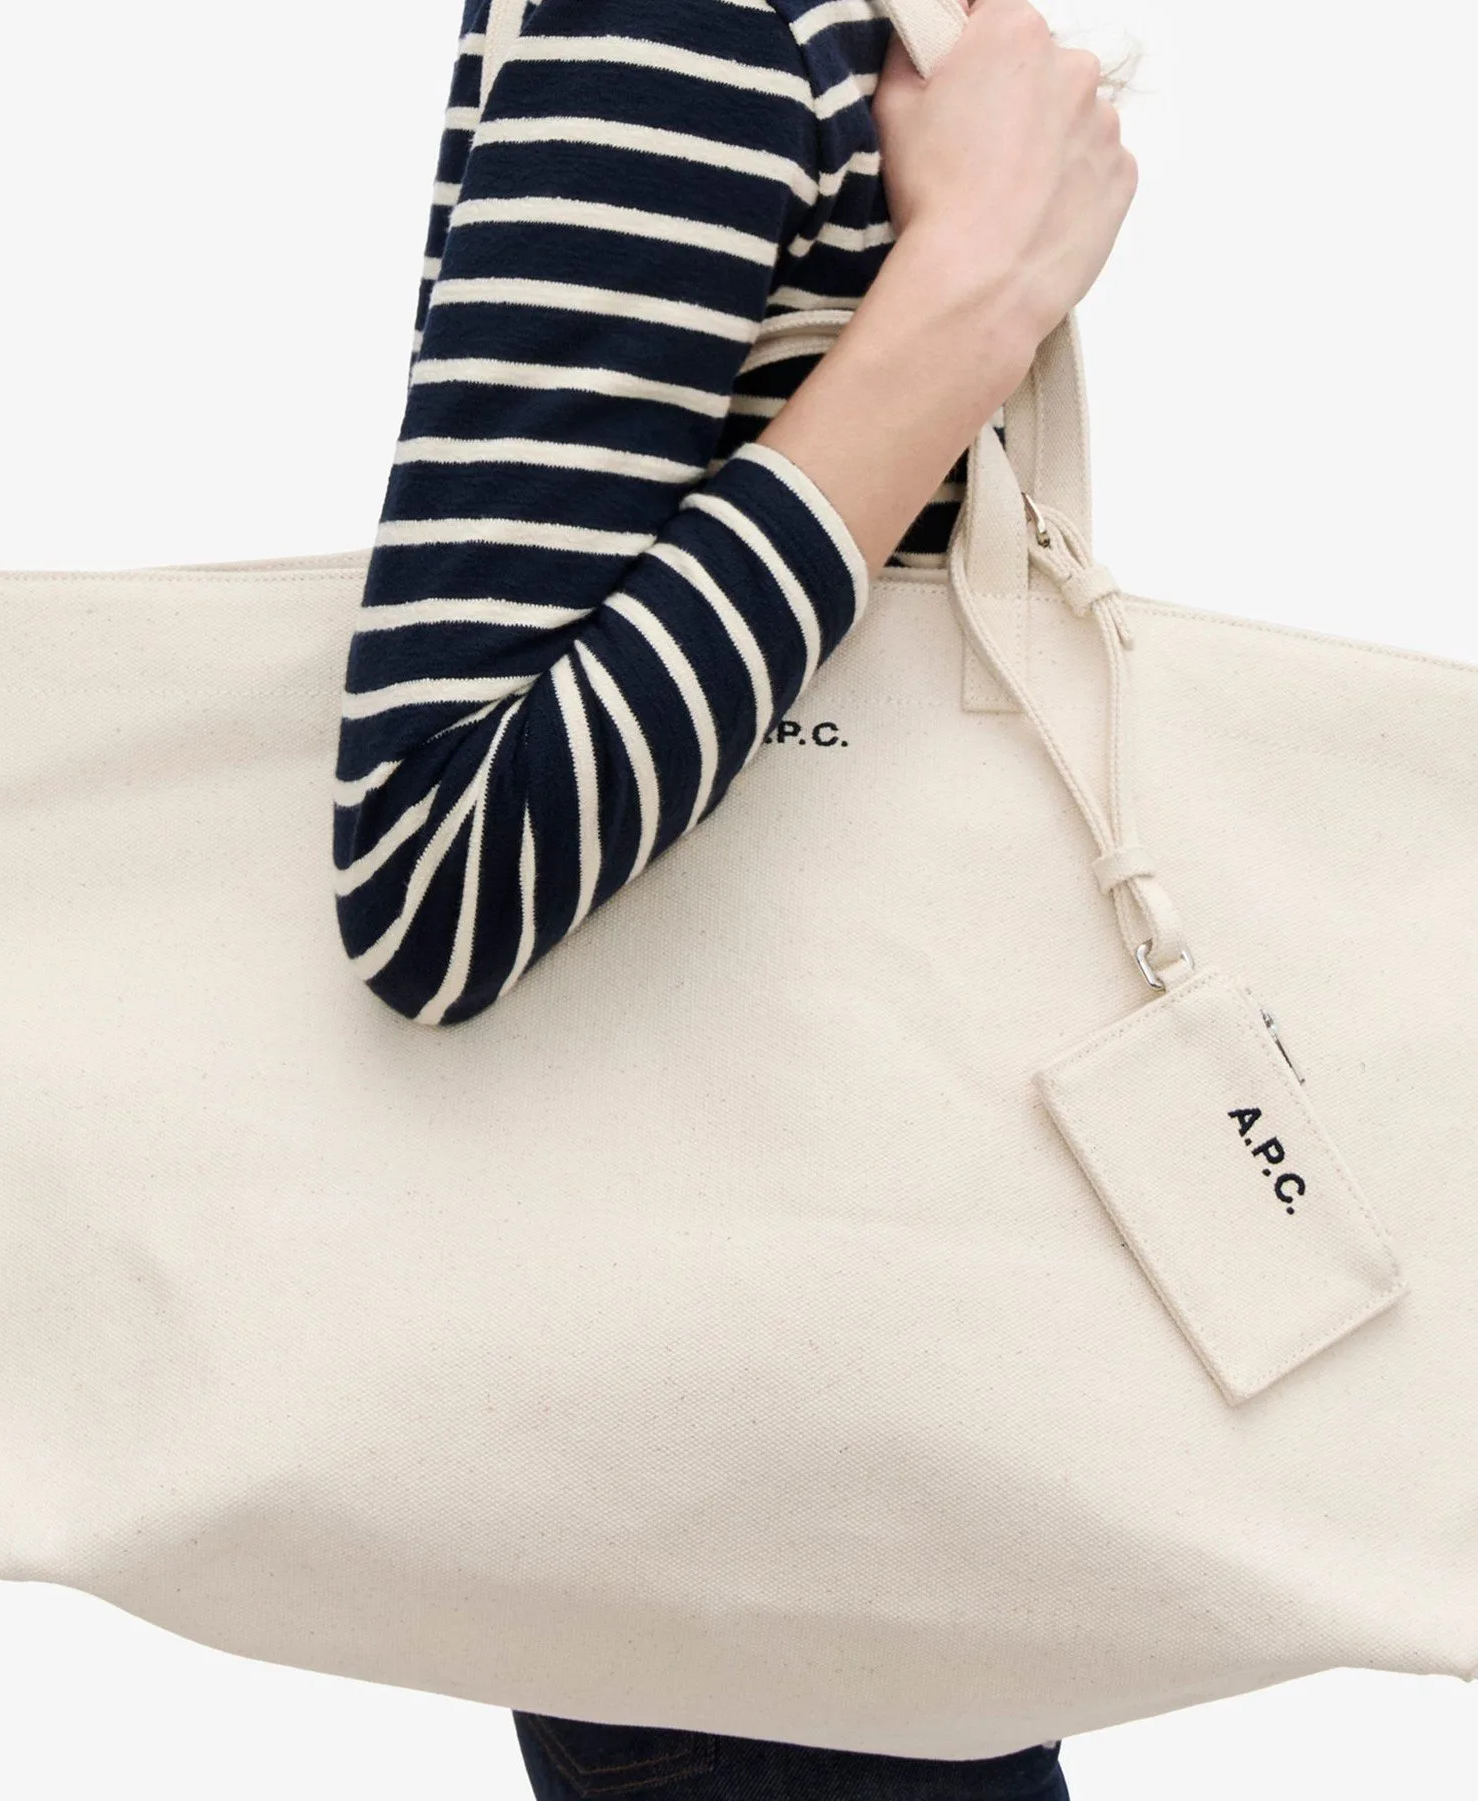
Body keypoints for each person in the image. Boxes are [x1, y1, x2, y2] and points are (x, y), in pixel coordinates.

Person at [333, 0, 1135, 1792]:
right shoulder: (682, 16)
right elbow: (433, 861)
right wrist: (971, 293)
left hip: (873, 1387)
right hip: (753, 1450)